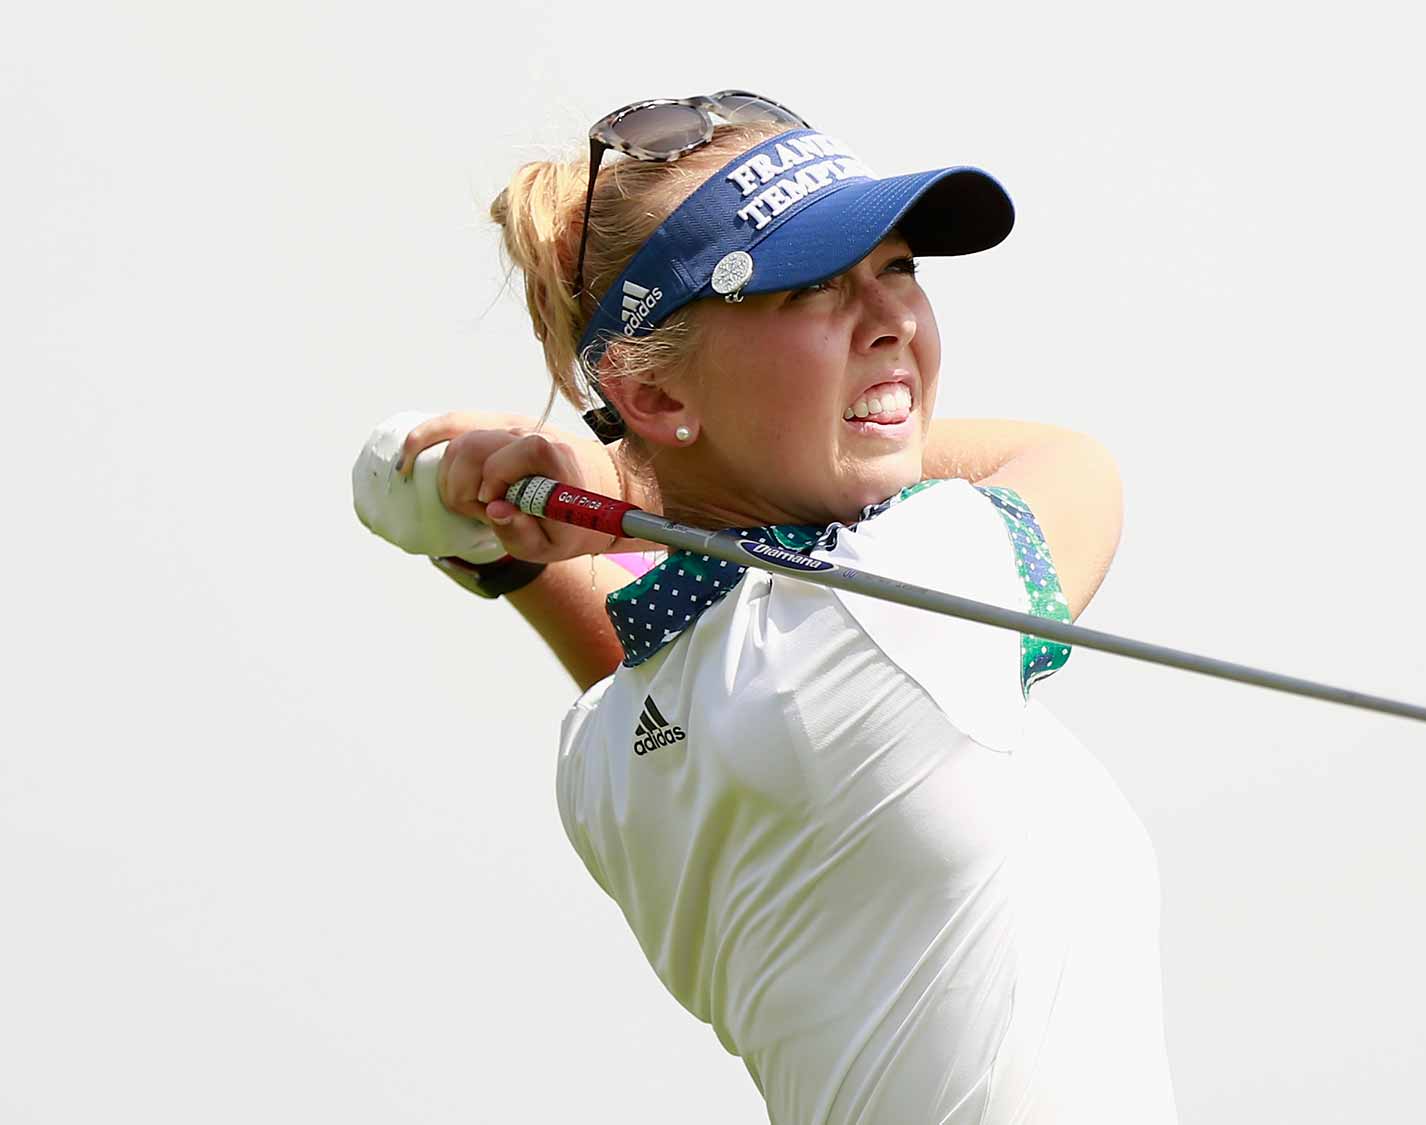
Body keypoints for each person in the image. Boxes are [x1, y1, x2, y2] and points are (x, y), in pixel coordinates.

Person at [366, 93, 1176, 1122]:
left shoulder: (605, 750)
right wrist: (617, 486)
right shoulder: (904, 597)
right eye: (810, 289)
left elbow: (645, 656)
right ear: (655, 395)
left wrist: (565, 503)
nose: (888, 319)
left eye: (897, 269)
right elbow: (1071, 460)